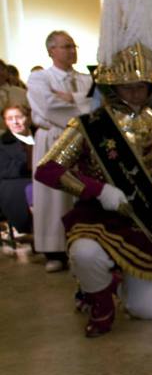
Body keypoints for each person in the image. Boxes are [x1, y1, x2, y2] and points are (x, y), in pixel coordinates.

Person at [36, 0, 152, 337]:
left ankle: (117, 280)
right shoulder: (90, 125)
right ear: (113, 87)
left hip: (144, 224)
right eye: (127, 86)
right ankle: (99, 297)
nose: (136, 92)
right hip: (97, 219)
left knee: (147, 313)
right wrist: (97, 189)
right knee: (87, 253)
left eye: (142, 85)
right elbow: (48, 170)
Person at [26, 30, 92, 271]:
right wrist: (81, 102)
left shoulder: (86, 79)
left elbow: (98, 104)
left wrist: (72, 97)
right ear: (51, 50)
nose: (72, 50)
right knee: (54, 196)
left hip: (83, 138)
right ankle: (54, 250)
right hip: (53, 138)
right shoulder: (40, 79)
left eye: (74, 46)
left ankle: (83, 245)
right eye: (66, 46)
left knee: (82, 190)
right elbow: (49, 105)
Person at [0, 104, 33, 236]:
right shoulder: (2, 143)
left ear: (28, 118)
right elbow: (4, 170)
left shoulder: (41, 136)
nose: (15, 122)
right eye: (9, 118)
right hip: (16, 182)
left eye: (19, 117)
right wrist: (27, 164)